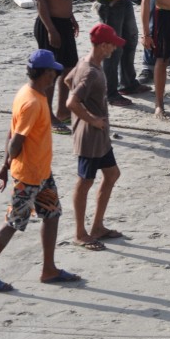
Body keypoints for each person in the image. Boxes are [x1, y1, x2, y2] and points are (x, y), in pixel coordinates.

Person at [0, 50, 81, 292]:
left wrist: (4, 166)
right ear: (44, 73)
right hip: (29, 176)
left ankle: (49, 269)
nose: (55, 74)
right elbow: (15, 141)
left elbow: (11, 130)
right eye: (52, 71)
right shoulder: (32, 101)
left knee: (52, 215)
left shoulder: (31, 92)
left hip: (42, 173)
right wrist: (8, 164)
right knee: (13, 222)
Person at [64, 24, 126, 251]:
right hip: (89, 137)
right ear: (102, 45)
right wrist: (92, 118)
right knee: (85, 182)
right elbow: (71, 101)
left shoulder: (85, 63)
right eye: (112, 44)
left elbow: (68, 81)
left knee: (112, 174)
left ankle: (97, 226)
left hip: (100, 138)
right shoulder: (90, 71)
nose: (114, 48)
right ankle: (80, 233)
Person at [24, 0, 86, 131]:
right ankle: (48, 116)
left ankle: (63, 111)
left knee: (69, 68)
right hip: (49, 25)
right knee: (50, 72)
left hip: (63, 23)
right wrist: (51, 30)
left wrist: (71, 17)